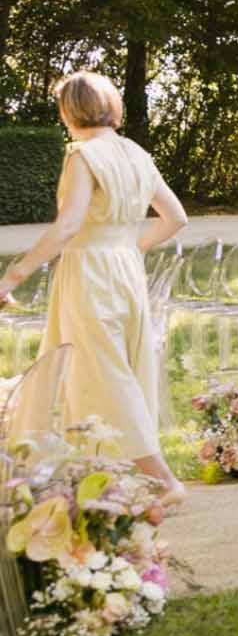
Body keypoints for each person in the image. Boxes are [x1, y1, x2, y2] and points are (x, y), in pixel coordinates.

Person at [0, 72, 188, 506]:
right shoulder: (136, 153)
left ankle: (164, 480)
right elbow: (176, 217)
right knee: (111, 369)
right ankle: (97, 474)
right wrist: (128, 248)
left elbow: (68, 226)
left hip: (90, 272)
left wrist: (14, 275)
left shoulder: (83, 156)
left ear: (69, 111)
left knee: (105, 375)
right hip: (124, 269)